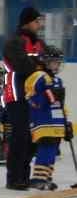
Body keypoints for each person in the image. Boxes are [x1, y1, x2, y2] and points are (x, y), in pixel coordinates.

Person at [2, 7, 45, 190]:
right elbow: (22, 66)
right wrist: (40, 65)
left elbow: (49, 64)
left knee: (33, 138)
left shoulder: (39, 43)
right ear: (27, 22)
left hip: (35, 96)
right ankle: (14, 177)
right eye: (36, 21)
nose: (39, 24)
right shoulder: (14, 42)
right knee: (20, 136)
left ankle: (24, 175)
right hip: (17, 94)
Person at [25, 45, 71, 190]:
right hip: (43, 121)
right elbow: (30, 98)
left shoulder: (57, 80)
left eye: (58, 62)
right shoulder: (37, 76)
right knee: (46, 149)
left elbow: (60, 104)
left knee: (53, 151)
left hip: (56, 122)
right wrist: (48, 96)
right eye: (54, 62)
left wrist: (66, 122)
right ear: (45, 61)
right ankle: (38, 179)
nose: (57, 65)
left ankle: (46, 178)